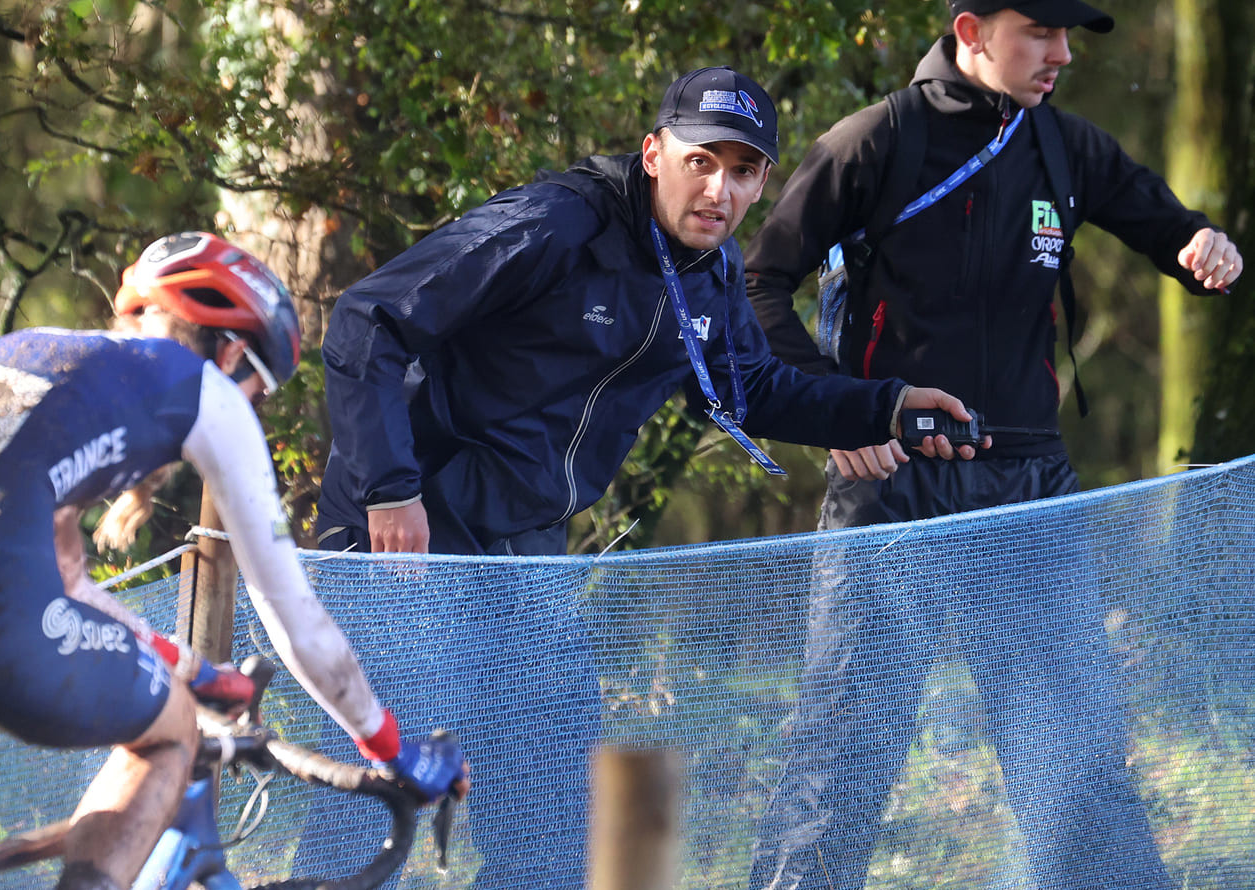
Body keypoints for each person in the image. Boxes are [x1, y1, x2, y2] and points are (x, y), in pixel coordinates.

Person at [312, 66, 982, 889]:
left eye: (743, 171)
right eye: (702, 161)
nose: (720, 190)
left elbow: (755, 388)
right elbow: (366, 320)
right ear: (655, 152)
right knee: (371, 810)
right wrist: (390, 488)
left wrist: (886, 408)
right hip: (411, 538)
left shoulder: (710, 270)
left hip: (527, 556)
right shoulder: (553, 225)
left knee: (562, 831)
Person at [742, 0, 1244, 887]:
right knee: (841, 762)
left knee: (1078, 761)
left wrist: (1204, 245)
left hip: (1029, 493)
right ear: (971, 31)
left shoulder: (1068, 146)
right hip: (893, 488)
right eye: (1039, 34)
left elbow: (1171, 231)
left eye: (1068, 37)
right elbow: (758, 285)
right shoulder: (874, 140)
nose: (1060, 55)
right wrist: (835, 412)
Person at [0, 232, 468, 890]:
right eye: (258, 393)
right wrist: (388, 747)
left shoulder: (22, 359)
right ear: (233, 350)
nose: (251, 411)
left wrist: (191, 665)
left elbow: (56, 582)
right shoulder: (203, 387)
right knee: (171, 730)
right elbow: (296, 619)